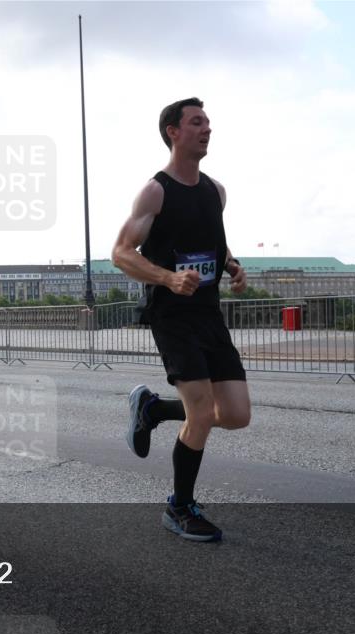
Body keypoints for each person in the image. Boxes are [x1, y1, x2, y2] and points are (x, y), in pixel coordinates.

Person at [111, 97, 251, 542]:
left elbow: (213, 241)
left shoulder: (215, 191)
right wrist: (168, 279)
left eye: (208, 122)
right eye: (196, 122)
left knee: (234, 414)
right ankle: (180, 506)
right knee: (201, 414)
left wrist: (230, 264)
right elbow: (120, 253)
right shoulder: (156, 191)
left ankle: (152, 408)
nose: (206, 128)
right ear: (173, 131)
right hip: (172, 314)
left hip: (209, 314)